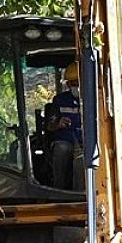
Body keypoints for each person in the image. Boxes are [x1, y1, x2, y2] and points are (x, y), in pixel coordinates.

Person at [47, 61, 82, 189]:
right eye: (74, 84)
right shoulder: (60, 100)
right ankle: (60, 191)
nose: (77, 87)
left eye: (79, 83)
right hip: (65, 141)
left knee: (82, 162)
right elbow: (49, 126)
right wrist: (58, 124)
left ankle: (81, 195)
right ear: (68, 84)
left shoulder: (95, 100)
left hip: (85, 143)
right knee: (61, 150)